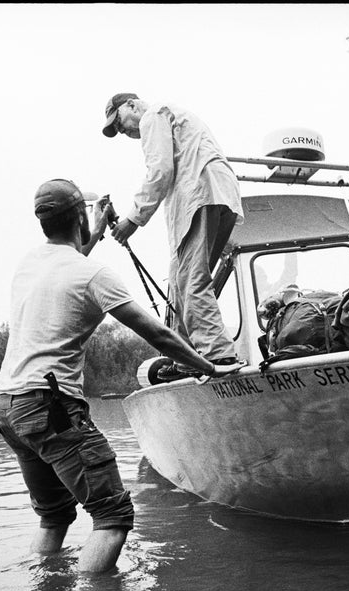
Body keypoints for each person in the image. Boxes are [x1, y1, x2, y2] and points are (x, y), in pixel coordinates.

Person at [0, 178, 241, 573]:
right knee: (112, 517)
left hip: (9, 409)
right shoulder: (94, 275)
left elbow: (73, 258)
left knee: (54, 518)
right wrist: (209, 366)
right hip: (51, 406)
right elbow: (158, 335)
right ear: (77, 218)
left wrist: (94, 225)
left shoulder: (30, 264)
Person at [101, 93, 245, 381]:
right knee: (180, 280)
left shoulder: (153, 116)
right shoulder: (172, 116)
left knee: (191, 280)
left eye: (118, 122)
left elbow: (160, 170)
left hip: (200, 193)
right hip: (219, 194)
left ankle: (218, 354)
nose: (121, 130)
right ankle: (185, 358)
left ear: (131, 105)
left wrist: (133, 219)